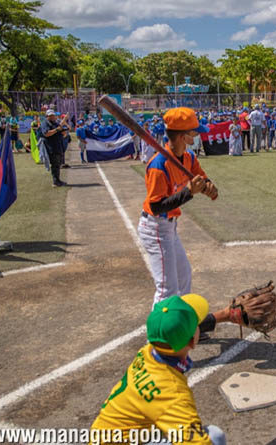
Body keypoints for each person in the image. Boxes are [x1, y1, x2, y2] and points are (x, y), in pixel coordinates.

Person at [89, 293, 226, 445]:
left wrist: (223, 316)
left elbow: (171, 334)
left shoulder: (147, 352)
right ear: (193, 342)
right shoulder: (173, 394)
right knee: (214, 436)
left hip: (106, 435)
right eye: (197, 324)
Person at [139, 107, 218, 308]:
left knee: (184, 278)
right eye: (194, 131)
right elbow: (157, 206)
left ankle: (182, 324)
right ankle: (160, 335)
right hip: (155, 228)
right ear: (184, 136)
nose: (198, 134)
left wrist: (208, 186)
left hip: (170, 227)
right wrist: (188, 192)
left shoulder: (188, 157)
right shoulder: (158, 165)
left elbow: (200, 176)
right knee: (167, 288)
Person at [40, 110, 69, 187]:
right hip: (51, 147)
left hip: (58, 146)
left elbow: (63, 133)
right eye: (51, 115)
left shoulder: (55, 123)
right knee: (55, 164)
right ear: (47, 116)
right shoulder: (45, 123)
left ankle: (58, 180)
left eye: (53, 115)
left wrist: (62, 130)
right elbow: (46, 133)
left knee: (58, 164)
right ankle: (55, 182)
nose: (53, 117)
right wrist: (56, 130)